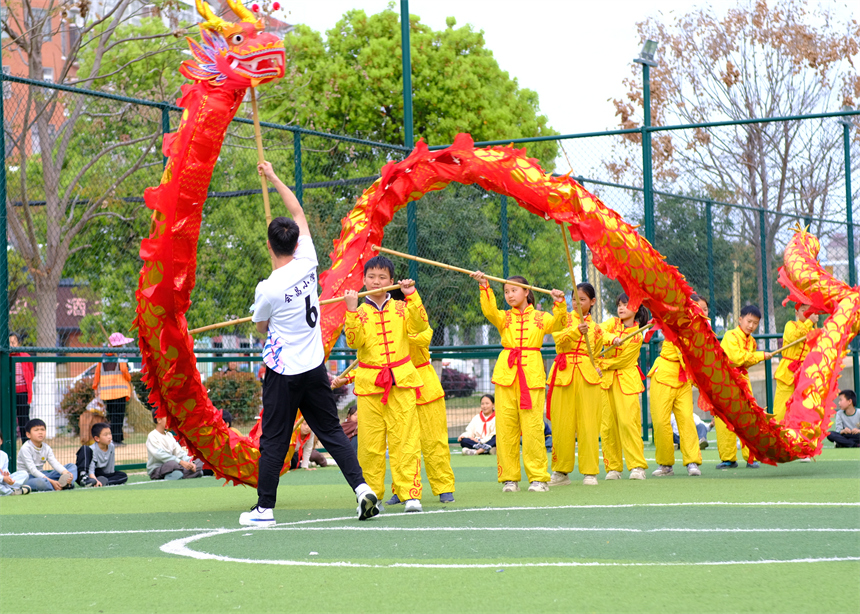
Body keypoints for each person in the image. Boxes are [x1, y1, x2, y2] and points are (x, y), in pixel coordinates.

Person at [242, 160, 379, 526]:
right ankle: (362, 488)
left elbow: (260, 328)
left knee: (273, 438)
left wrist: (267, 309)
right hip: (314, 366)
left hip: (283, 372)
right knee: (331, 432)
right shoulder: (308, 260)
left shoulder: (268, 287)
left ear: (270, 245)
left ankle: (264, 509)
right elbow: (297, 210)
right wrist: (272, 177)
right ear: (294, 242)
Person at [337, 255, 426, 513]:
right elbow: (354, 342)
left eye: (382, 277)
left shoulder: (401, 307)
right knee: (370, 444)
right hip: (370, 385)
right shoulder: (358, 311)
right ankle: (371, 497)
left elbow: (421, 325)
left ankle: (410, 494)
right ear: (363, 281)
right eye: (372, 277)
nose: (377, 281)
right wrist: (351, 310)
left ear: (390, 281)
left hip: (402, 382)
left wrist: (412, 295)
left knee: (406, 439)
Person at [470, 270, 566, 493]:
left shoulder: (541, 318)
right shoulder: (504, 317)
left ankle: (538, 478)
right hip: (506, 375)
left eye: (514, 290)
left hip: (531, 375)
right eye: (506, 291)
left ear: (527, 292)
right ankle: (509, 479)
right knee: (506, 429)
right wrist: (484, 286)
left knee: (533, 427)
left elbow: (559, 325)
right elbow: (489, 310)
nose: (509, 295)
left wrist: (560, 303)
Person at [385, 313, 455, 504]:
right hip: (398, 389)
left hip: (426, 389)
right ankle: (401, 489)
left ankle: (444, 487)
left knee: (435, 441)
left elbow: (425, 336)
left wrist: (400, 335)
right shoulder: (383, 332)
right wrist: (348, 378)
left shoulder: (419, 324)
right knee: (401, 442)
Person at [547, 283, 606, 487]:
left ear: (592, 302)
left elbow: (596, 354)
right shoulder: (564, 319)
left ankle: (590, 472)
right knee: (562, 424)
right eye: (574, 299)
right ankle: (561, 472)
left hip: (588, 376)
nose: (577, 303)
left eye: (582, 299)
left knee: (589, 424)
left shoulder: (597, 329)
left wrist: (597, 367)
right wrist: (574, 332)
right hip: (564, 373)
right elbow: (558, 341)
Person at [647, 295, 705, 477]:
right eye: (698, 309)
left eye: (704, 310)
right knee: (661, 421)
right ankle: (665, 465)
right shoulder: (675, 323)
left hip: (683, 380)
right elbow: (682, 353)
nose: (701, 313)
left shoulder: (700, 332)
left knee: (687, 419)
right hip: (664, 375)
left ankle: (692, 462)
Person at [715, 304, 773, 469]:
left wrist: (756, 356)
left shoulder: (752, 342)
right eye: (748, 321)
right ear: (740, 319)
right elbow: (736, 358)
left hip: (743, 381)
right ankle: (728, 458)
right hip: (726, 381)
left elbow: (746, 362)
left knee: (748, 417)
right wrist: (760, 356)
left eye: (755, 323)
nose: (751, 326)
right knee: (724, 418)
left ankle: (751, 457)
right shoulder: (730, 335)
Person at [599, 293, 649, 481]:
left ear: (636, 308)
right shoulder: (612, 323)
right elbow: (597, 332)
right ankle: (613, 467)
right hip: (606, 381)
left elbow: (622, 360)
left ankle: (637, 466)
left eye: (626, 304)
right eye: (619, 304)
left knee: (629, 423)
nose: (621, 308)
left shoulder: (638, 335)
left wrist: (601, 364)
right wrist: (611, 338)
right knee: (608, 425)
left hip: (626, 380)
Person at [773, 303, 817, 422]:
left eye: (809, 311)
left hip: (804, 374)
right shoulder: (790, 325)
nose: (807, 313)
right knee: (781, 409)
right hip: (787, 373)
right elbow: (794, 337)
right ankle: (778, 436)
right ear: (797, 313)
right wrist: (809, 323)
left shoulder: (814, 330)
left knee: (804, 408)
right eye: (803, 310)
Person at [93, 332, 134, 445]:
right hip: (120, 391)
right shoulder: (121, 355)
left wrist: (95, 386)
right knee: (119, 416)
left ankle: (115, 439)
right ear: (118, 345)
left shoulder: (103, 356)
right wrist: (129, 378)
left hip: (107, 392)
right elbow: (124, 371)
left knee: (112, 416)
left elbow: (97, 372)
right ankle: (116, 440)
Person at [17, 419, 77, 491]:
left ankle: (65, 484)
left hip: (42, 475)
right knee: (42, 483)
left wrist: (67, 474)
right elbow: (33, 471)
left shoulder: (46, 447)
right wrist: (51, 481)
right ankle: (60, 486)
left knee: (72, 467)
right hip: (28, 478)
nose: (40, 432)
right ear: (28, 434)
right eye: (36, 430)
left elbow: (55, 463)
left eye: (42, 430)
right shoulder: (25, 448)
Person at [146, 414, 205, 480]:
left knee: (198, 461)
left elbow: (179, 452)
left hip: (177, 466)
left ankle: (176, 475)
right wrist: (181, 462)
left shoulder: (169, 435)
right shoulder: (152, 436)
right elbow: (160, 454)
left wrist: (190, 462)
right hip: (158, 469)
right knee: (172, 464)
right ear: (159, 420)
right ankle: (188, 473)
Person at [10, 333, 34, 443]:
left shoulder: (25, 356)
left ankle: (26, 445)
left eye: (13, 342)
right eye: (9, 343)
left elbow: (31, 373)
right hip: (8, 392)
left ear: (18, 343)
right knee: (8, 420)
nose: (11, 345)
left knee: (24, 419)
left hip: (22, 392)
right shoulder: (5, 357)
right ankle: (7, 444)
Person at [0, 429, 31, 496]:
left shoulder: (4, 455)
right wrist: (3, 478)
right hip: (2, 481)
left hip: (4, 482)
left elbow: (5, 470)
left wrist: (7, 477)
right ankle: (11, 492)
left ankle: (8, 489)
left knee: (24, 474)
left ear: (1, 441)